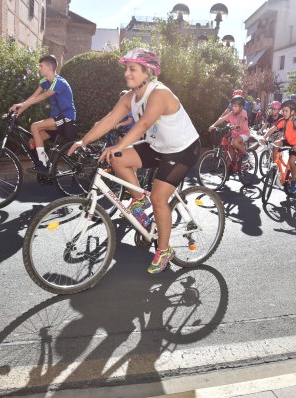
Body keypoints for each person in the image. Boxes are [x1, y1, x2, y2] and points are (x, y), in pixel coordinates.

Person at [68, 48, 201, 274]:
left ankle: (164, 250)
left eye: (132, 69)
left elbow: (143, 125)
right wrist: (84, 141)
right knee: (117, 159)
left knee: (159, 197)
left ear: (147, 72)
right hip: (158, 146)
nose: (126, 74)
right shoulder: (129, 97)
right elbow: (109, 120)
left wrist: (119, 144)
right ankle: (140, 200)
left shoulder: (159, 93)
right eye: (126, 69)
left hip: (182, 149)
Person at [9, 55, 77, 174]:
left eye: (41, 66)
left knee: (35, 126)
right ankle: (49, 167)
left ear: (49, 67)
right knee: (32, 142)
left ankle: (43, 165)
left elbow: (43, 96)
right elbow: (33, 97)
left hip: (66, 118)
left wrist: (21, 104)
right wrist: (18, 111)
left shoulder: (59, 82)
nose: (39, 68)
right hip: (55, 119)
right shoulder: (44, 81)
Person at [261, 99, 296, 193]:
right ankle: (274, 165)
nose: (283, 113)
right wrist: (264, 137)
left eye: (286, 111)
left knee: (291, 162)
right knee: (276, 143)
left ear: (292, 112)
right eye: (283, 111)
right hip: (287, 141)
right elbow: (273, 129)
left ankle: (294, 181)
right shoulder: (282, 120)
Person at [209, 95, 250, 164]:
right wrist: (213, 125)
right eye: (233, 106)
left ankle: (246, 154)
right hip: (234, 136)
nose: (233, 108)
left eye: (236, 106)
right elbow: (221, 119)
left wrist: (238, 125)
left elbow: (241, 120)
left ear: (241, 107)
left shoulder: (243, 112)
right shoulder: (230, 114)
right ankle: (228, 169)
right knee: (230, 150)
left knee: (235, 142)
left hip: (244, 134)